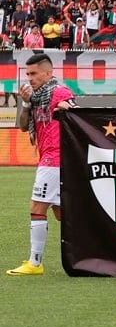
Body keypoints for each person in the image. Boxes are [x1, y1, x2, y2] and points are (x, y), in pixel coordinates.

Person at [7, 53, 76, 276]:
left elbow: (79, 119)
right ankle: (101, 246)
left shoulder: (60, 92)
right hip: (48, 157)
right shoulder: (36, 97)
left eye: (34, 74)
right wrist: (25, 103)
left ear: (48, 73)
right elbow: (24, 127)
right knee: (60, 213)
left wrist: (70, 109)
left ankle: (34, 263)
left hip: (55, 158)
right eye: (27, 74)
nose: (30, 78)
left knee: (37, 207)